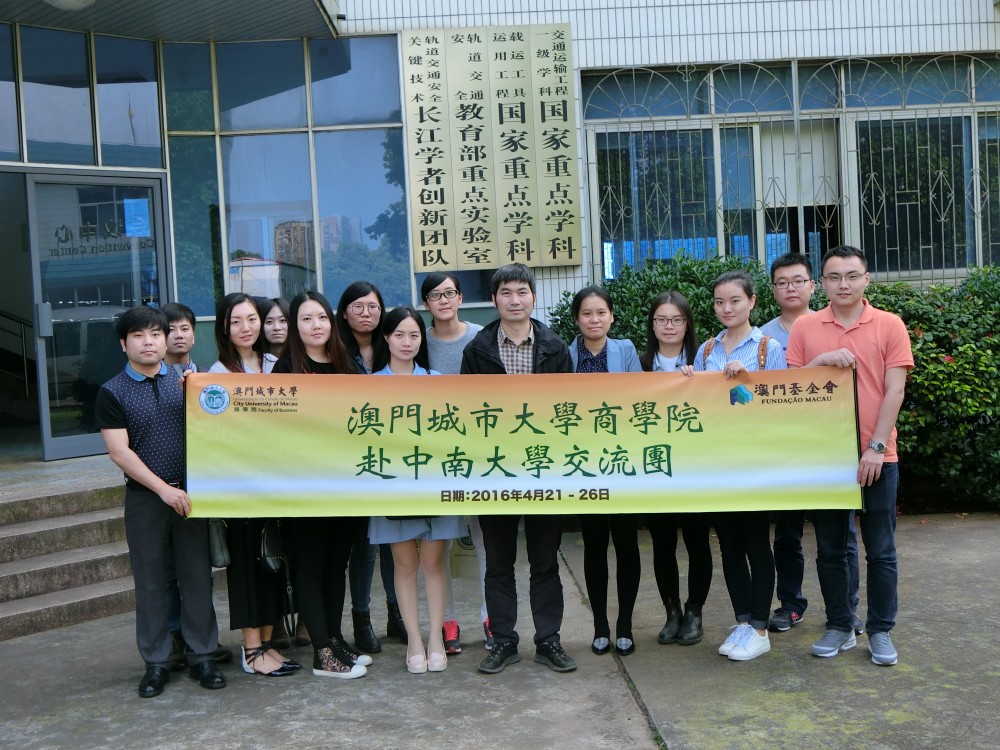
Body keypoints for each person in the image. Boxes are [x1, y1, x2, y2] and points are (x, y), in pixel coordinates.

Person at [786, 245, 913, 665]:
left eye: (852, 275)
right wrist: (821, 361)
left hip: (878, 456)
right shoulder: (805, 327)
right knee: (830, 549)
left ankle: (880, 630)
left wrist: (876, 447)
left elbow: (895, 390)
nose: (844, 284)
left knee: (881, 550)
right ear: (821, 283)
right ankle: (840, 624)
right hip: (824, 457)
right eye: (835, 277)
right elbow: (788, 389)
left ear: (866, 279)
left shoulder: (889, 325)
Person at [95, 307, 226, 697]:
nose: (148, 342)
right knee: (150, 583)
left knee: (197, 578)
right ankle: (157, 662)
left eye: (155, 334)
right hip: (146, 500)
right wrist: (162, 490)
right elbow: (120, 452)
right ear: (124, 344)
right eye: (138, 335)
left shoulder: (188, 383)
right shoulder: (112, 391)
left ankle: (203, 656)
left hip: (191, 496)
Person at [461, 263, 577, 674]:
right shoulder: (477, 350)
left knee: (545, 561)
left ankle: (548, 640)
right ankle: (503, 641)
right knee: (499, 562)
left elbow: (569, 410)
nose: (514, 300)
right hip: (495, 470)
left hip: (544, 469)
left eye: (522, 292)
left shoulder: (555, 348)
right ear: (495, 299)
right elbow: (467, 413)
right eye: (506, 292)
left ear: (533, 297)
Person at [683, 270, 786, 661]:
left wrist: (745, 383)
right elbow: (700, 405)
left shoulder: (768, 349)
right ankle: (743, 620)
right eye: (719, 302)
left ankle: (760, 627)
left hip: (753, 461)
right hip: (716, 462)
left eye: (735, 301)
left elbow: (778, 406)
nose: (726, 308)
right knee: (728, 545)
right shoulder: (707, 349)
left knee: (756, 543)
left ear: (752, 302)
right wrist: (688, 379)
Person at [759, 253, 863, 635]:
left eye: (798, 280)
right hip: (784, 447)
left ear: (813, 285)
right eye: (782, 282)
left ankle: (847, 608)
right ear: (772, 290)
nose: (790, 288)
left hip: (830, 447)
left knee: (841, 535)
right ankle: (791, 604)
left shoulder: (832, 325)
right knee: (787, 532)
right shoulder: (762, 338)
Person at [272, 291, 367, 679]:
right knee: (311, 566)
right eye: (307, 319)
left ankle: (335, 639)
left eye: (323, 318)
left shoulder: (347, 365)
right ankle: (322, 653)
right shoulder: (285, 370)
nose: (316, 326)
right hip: (304, 487)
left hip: (347, 484)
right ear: (295, 326)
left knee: (336, 565)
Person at [368, 306, 466, 674]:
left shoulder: (436, 380)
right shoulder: (371, 384)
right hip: (392, 486)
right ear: (386, 338)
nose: (407, 342)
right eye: (399, 335)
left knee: (433, 563)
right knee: (405, 565)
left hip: (434, 483)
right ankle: (413, 640)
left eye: (414, 335)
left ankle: (437, 640)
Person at [208, 293, 297, 677]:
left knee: (270, 561)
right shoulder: (217, 374)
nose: (246, 328)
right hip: (239, 485)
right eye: (236, 321)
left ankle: (267, 644)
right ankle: (251, 650)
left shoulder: (276, 365)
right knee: (246, 564)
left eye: (251, 319)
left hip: (276, 481)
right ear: (224, 328)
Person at [567, 286, 643, 657]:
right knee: (594, 545)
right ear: (576, 319)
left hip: (621, 461)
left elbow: (642, 399)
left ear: (611, 316)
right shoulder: (564, 355)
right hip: (583, 463)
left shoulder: (625, 350)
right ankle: (600, 625)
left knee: (627, 544)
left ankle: (625, 625)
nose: (594, 320)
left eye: (601, 313)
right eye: (586, 313)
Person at [159, 302, 233, 669]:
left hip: (202, 486)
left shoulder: (208, 378)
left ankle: (202, 639)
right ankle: (174, 636)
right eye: (170, 329)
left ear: (194, 333)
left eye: (185, 328)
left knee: (199, 569)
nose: (178, 335)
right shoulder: (153, 378)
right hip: (164, 486)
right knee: (168, 570)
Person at [639, 291, 713, 648]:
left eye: (676, 320)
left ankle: (694, 611)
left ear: (687, 324)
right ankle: (671, 612)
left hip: (696, 470)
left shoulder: (705, 361)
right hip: (655, 470)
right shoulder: (638, 366)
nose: (669, 326)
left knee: (698, 542)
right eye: (661, 320)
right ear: (652, 325)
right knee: (662, 544)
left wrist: (700, 380)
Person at [335, 281, 404, 653]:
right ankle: (361, 618)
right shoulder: (334, 350)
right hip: (352, 462)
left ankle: (397, 614)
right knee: (364, 544)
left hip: (393, 457)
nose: (366, 313)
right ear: (344, 312)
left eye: (373, 307)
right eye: (358, 306)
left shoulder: (391, 345)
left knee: (395, 541)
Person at [421, 271, 486, 654]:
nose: (443, 300)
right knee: (438, 542)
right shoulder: (419, 341)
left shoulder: (480, 337)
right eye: (435, 295)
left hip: (478, 454)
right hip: (433, 456)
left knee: (485, 539)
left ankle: (491, 616)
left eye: (449, 293)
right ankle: (447, 621)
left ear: (460, 298)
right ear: (426, 303)